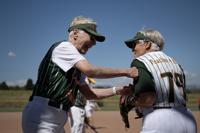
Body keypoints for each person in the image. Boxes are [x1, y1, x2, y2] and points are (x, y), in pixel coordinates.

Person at [21, 16, 138, 133]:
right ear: (75, 33)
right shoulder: (64, 47)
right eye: (92, 37)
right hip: (42, 117)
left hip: (57, 118)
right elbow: (90, 70)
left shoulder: (76, 63)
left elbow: (89, 94)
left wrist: (117, 90)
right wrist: (127, 71)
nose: (94, 43)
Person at [120, 28, 197, 133]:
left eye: (135, 44)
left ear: (147, 44)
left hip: (159, 120)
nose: (133, 49)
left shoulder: (140, 61)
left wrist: (132, 101)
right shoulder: (175, 63)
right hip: (187, 118)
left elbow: (148, 99)